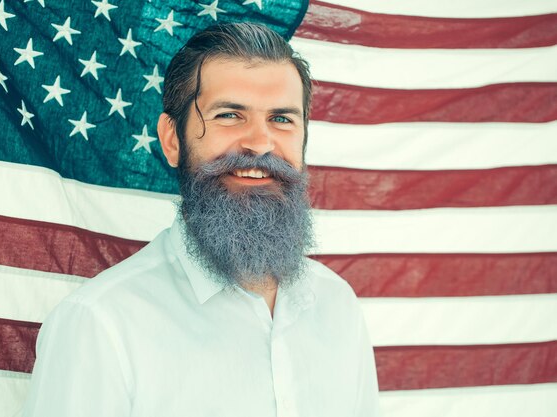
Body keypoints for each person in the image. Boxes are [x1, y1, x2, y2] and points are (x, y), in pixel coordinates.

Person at [22, 22, 381, 416]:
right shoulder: (99, 325)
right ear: (172, 139)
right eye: (229, 115)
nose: (260, 144)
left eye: (281, 119)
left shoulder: (338, 306)